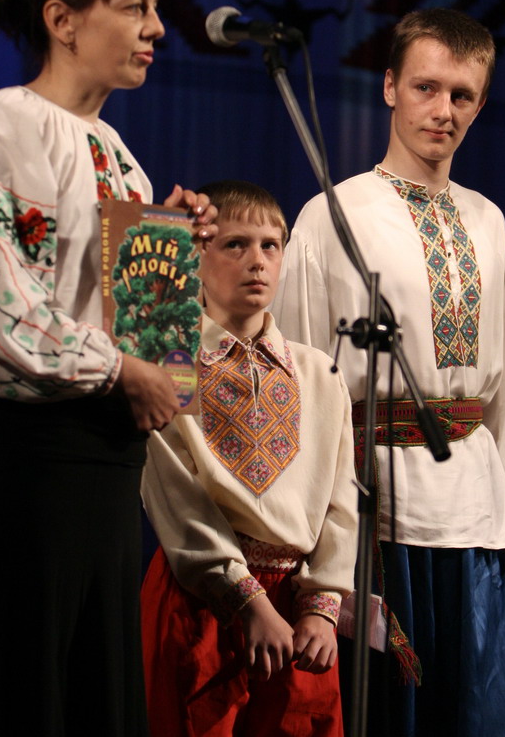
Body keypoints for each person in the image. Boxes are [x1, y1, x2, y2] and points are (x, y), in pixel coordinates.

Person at [0, 0, 216, 737]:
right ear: (63, 19)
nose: (157, 29)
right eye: (136, 6)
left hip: (110, 468)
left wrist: (169, 249)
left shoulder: (120, 155)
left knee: (95, 696)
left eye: (156, 8)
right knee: (30, 689)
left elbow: (137, 334)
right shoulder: (6, 122)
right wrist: (120, 370)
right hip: (40, 467)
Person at [272, 9, 505, 737]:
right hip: (376, 512)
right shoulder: (332, 214)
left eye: (462, 94)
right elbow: (298, 377)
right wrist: (301, 537)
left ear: (480, 104)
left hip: (479, 514)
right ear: (391, 86)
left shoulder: (488, 221)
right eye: (427, 87)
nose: (443, 109)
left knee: (476, 716)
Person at [140, 180, 358, 737]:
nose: (256, 261)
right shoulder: (170, 359)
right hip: (204, 596)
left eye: (270, 245)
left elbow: (340, 500)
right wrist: (247, 600)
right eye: (234, 244)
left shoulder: (319, 371)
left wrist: (323, 603)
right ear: (196, 252)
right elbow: (174, 490)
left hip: (298, 607)